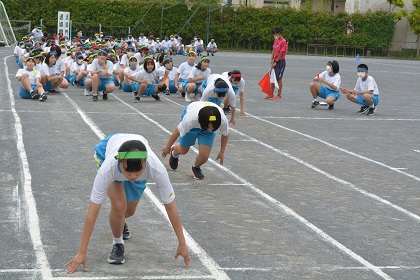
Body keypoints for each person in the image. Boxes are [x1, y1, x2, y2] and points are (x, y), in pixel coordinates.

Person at [65, 133, 190, 273]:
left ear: (144, 162)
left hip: (134, 152)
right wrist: (82, 251)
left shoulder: (155, 168)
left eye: (137, 171)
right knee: (119, 206)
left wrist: (182, 243)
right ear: (119, 162)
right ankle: (118, 244)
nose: (132, 176)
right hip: (108, 148)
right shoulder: (109, 168)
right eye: (128, 171)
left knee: (128, 212)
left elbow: (170, 206)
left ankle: (120, 222)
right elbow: (93, 211)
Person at [162, 101, 229, 180]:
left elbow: (225, 134)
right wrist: (167, 147)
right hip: (193, 125)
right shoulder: (190, 120)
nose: (210, 129)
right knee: (183, 150)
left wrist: (222, 152)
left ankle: (196, 167)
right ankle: (174, 153)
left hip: (205, 124)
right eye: (209, 127)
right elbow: (177, 131)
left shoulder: (221, 120)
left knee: (204, 156)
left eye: (213, 127)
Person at [267, 27, 287, 101]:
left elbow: (281, 53)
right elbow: (274, 50)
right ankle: (271, 94)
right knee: (272, 78)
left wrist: (276, 61)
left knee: (278, 79)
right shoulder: (276, 40)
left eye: (275, 34)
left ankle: (279, 95)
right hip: (275, 61)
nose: (274, 36)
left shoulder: (283, 41)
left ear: (279, 33)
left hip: (280, 62)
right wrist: (272, 59)